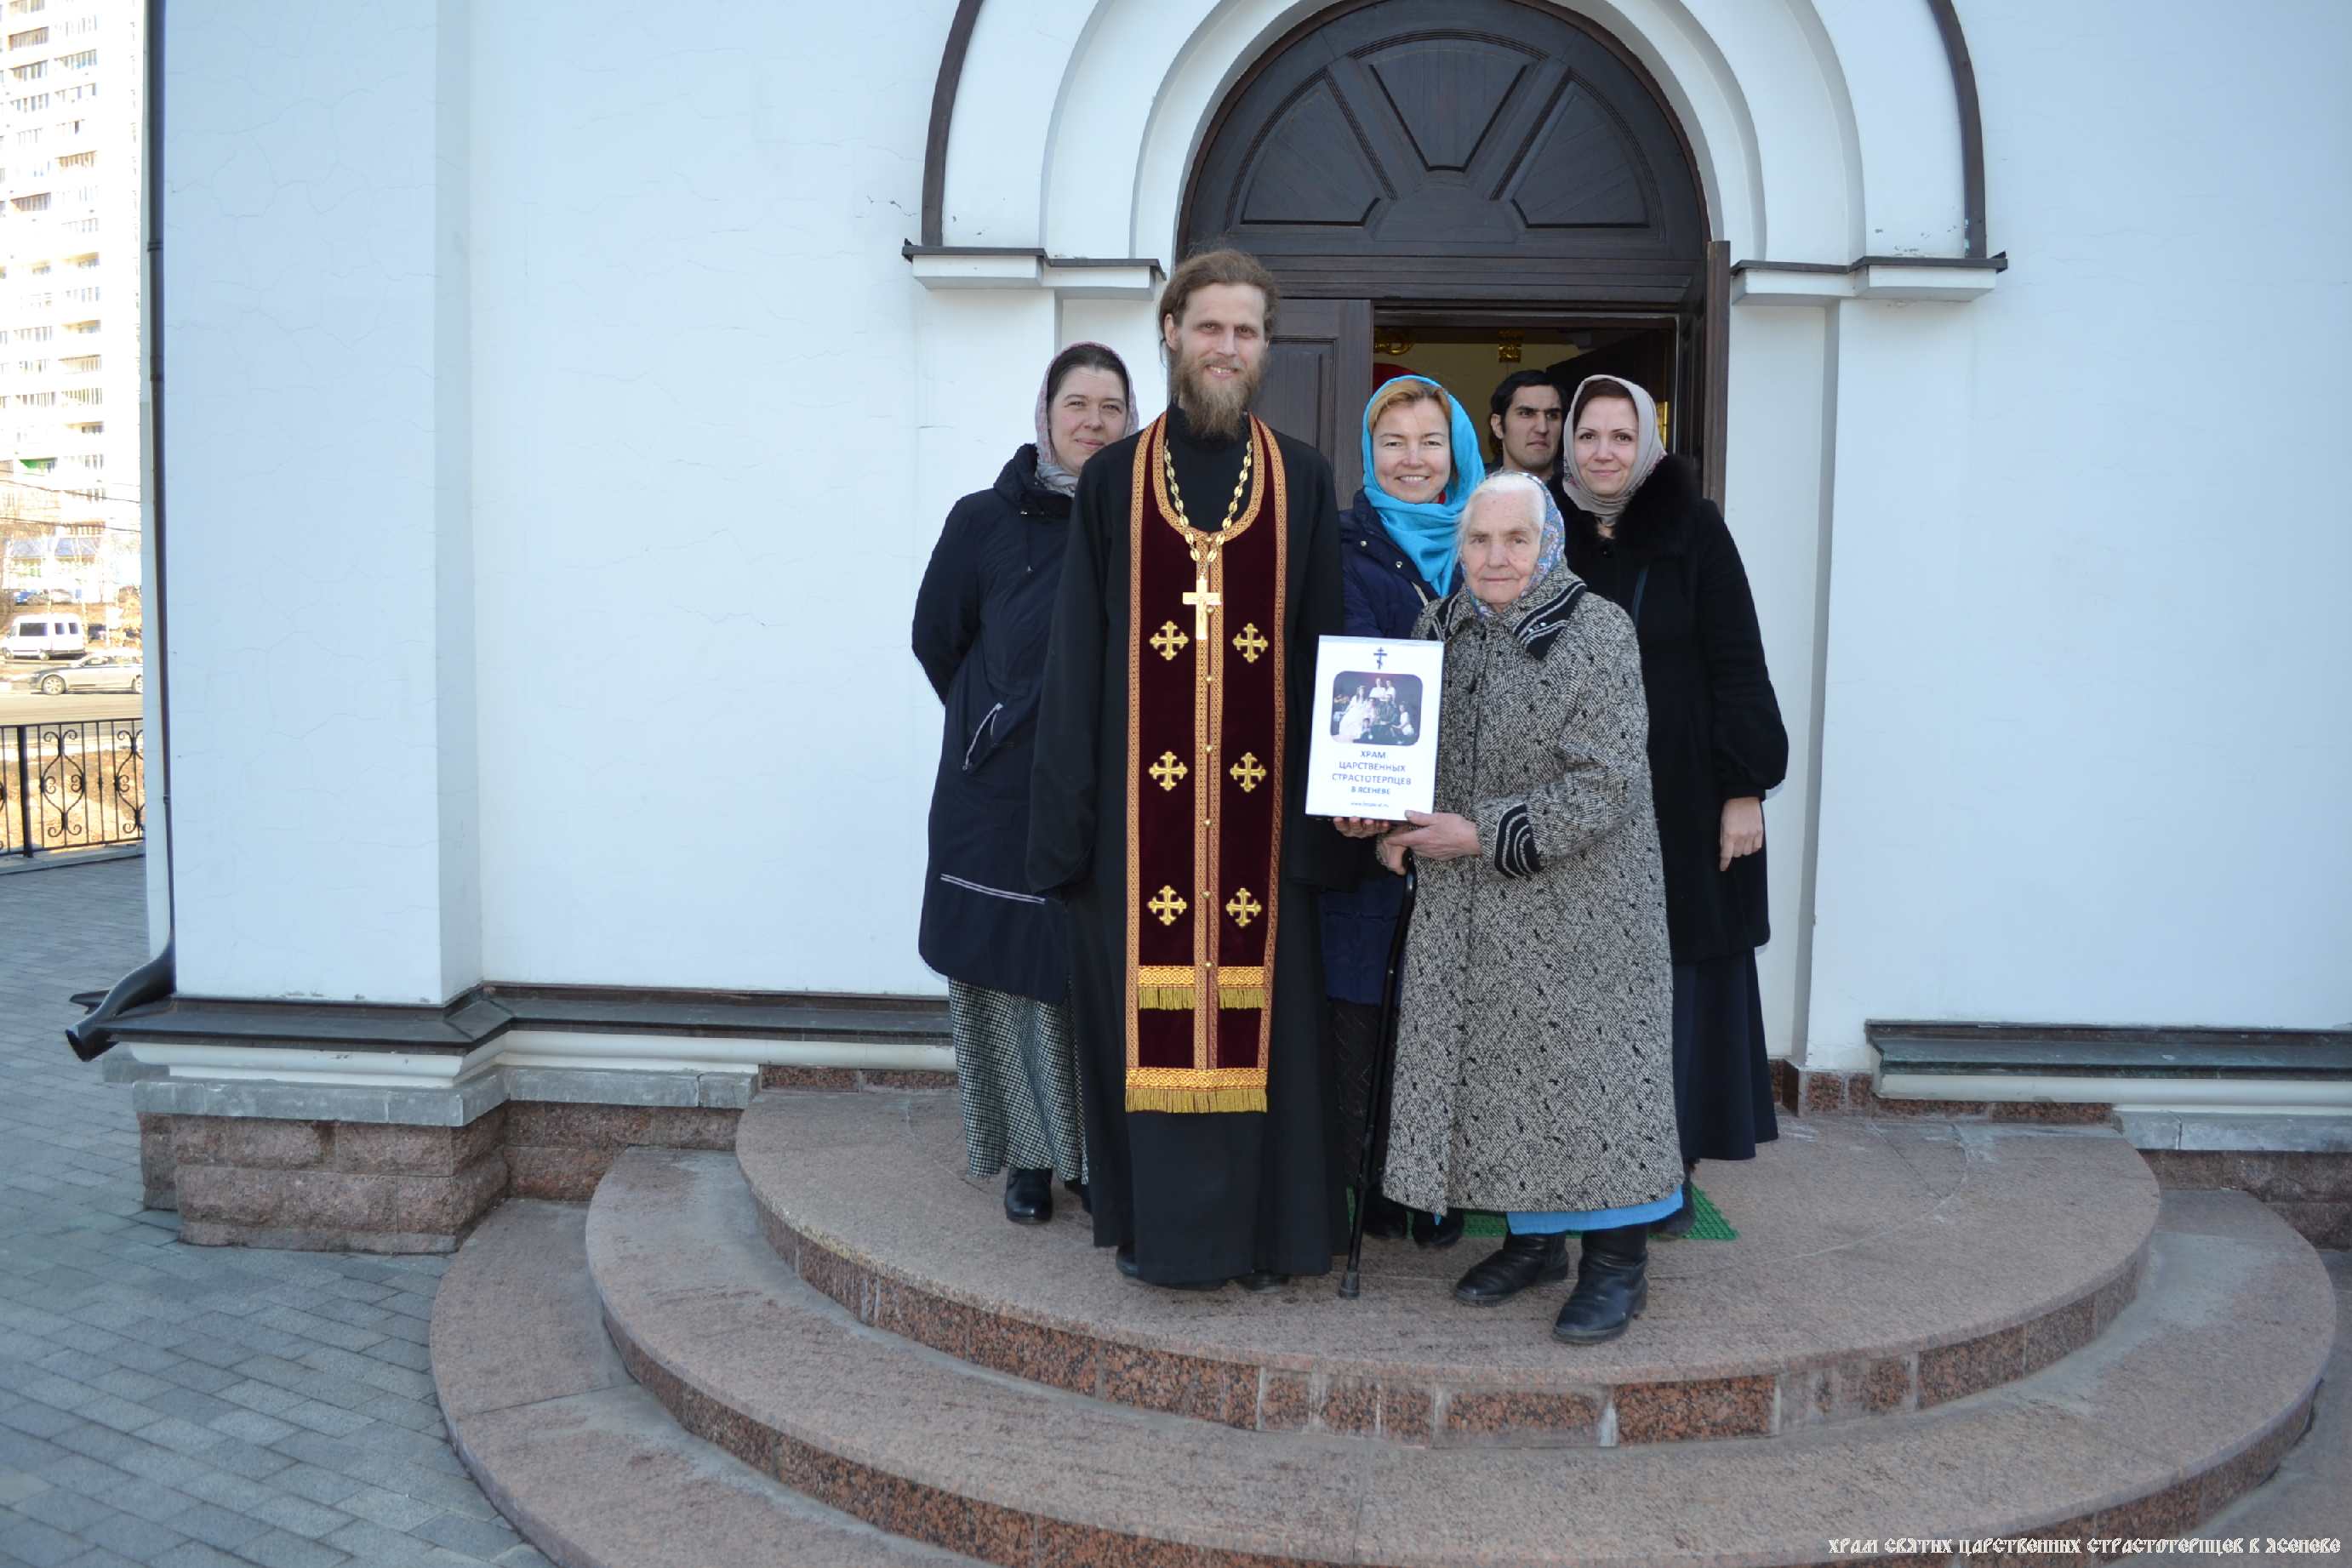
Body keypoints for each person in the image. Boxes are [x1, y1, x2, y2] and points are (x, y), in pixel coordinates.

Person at [1027, 248, 1358, 1291]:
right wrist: (1066, 834)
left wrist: (1332, 822)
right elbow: (1074, 661)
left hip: (1263, 844)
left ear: (1265, 347)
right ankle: (1157, 1239)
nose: (1227, 347)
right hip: (1138, 835)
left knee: (1271, 1039)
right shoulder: (1115, 482)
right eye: (1208, 327)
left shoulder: (1301, 478)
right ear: (1169, 332)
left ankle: (1264, 1240)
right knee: (1144, 1030)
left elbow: (1326, 655)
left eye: (1246, 331)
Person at [1346, 471, 1681, 1344]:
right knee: (1502, 1081)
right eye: (1479, 541)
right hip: (1474, 911)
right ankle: (1536, 1243)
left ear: (1549, 545)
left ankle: (1618, 1261)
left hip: (1585, 910)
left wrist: (1480, 832)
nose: (1496, 558)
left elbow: (1604, 782)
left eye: (1515, 540)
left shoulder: (1597, 633)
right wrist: (1385, 819)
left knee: (1593, 1083)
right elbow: (1406, 754)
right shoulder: (1436, 628)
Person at [1557, 374, 1789, 1237]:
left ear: (1648, 443)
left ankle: (1667, 1164)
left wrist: (1743, 787)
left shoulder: (1696, 529)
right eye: (1590, 435)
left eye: (1622, 435)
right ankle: (1576, 1158)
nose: (1605, 452)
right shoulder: (1547, 530)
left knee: (1677, 986)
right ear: (1569, 442)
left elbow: (1738, 659)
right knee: (1584, 983)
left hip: (1685, 795)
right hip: (1576, 797)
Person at [913, 343, 1135, 1226]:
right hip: (996, 787)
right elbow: (939, 638)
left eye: (1110, 407)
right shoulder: (984, 519)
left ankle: (1091, 1154)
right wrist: (995, 719)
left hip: (1104, 786)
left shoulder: (1137, 523)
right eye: (1075, 403)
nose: (1091, 421)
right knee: (1007, 974)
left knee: (1087, 969)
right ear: (1043, 414)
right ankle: (1028, 1160)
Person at [1322, 373, 1486, 1250]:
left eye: (1430, 441)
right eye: (1394, 443)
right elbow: (1342, 674)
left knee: (1453, 1011)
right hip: (1371, 833)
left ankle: (1445, 1187)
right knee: (1367, 1006)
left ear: (1456, 450)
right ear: (1369, 454)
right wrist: (1371, 808)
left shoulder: (1494, 542)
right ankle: (1376, 1180)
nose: (1413, 460)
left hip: (1467, 828)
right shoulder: (1346, 546)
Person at [1488, 368, 1567, 510]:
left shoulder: (1584, 497)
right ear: (1498, 425)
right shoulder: (1471, 496)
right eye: (1526, 413)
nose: (1542, 428)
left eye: (1552, 415)